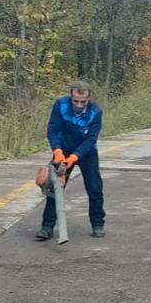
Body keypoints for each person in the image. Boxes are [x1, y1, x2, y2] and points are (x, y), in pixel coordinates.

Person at [38, 80, 105, 240]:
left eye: (83, 101)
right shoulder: (60, 105)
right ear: (71, 96)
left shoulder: (96, 112)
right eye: (76, 101)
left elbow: (91, 139)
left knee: (95, 188)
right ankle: (47, 227)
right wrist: (58, 152)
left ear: (89, 98)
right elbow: (53, 129)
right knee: (54, 187)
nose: (79, 105)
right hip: (63, 150)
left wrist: (75, 156)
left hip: (86, 152)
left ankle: (98, 224)